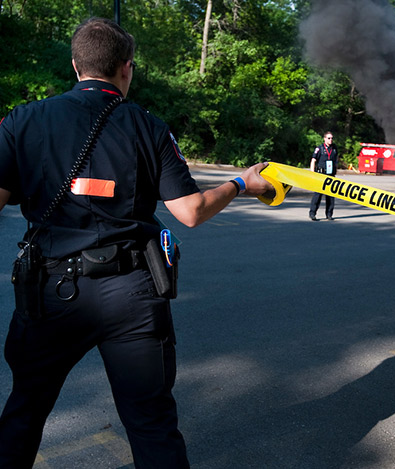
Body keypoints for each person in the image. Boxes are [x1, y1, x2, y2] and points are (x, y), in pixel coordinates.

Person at [0, 17, 273, 468]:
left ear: (75, 65)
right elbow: (190, 211)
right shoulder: (149, 127)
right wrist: (242, 183)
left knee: (25, 411)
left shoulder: (23, 121)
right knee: (151, 423)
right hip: (131, 292)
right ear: (127, 68)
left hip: (50, 292)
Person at [309, 131, 338, 221]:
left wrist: (335, 171)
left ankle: (329, 214)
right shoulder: (320, 148)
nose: (331, 140)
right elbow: (313, 161)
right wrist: (312, 174)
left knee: (330, 196)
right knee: (317, 195)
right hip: (321, 174)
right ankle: (312, 214)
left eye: (332, 138)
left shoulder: (334, 148)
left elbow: (336, 160)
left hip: (331, 175)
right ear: (324, 138)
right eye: (329, 138)